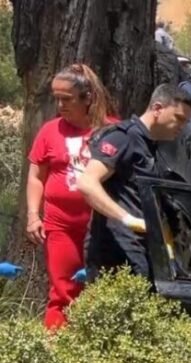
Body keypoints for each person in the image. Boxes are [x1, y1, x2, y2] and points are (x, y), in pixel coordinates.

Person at [26, 64, 116, 329]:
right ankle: (56, 345)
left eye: (67, 99)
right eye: (57, 98)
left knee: (102, 289)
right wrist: (33, 215)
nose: (60, 105)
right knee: (63, 290)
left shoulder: (112, 131)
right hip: (60, 224)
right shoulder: (50, 131)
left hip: (102, 227)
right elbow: (35, 177)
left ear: (87, 98)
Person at [76, 84, 191, 282]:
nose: (182, 127)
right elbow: (87, 183)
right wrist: (127, 219)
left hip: (142, 249)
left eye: (186, 122)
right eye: (179, 118)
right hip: (116, 251)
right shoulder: (123, 138)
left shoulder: (150, 146)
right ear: (157, 109)